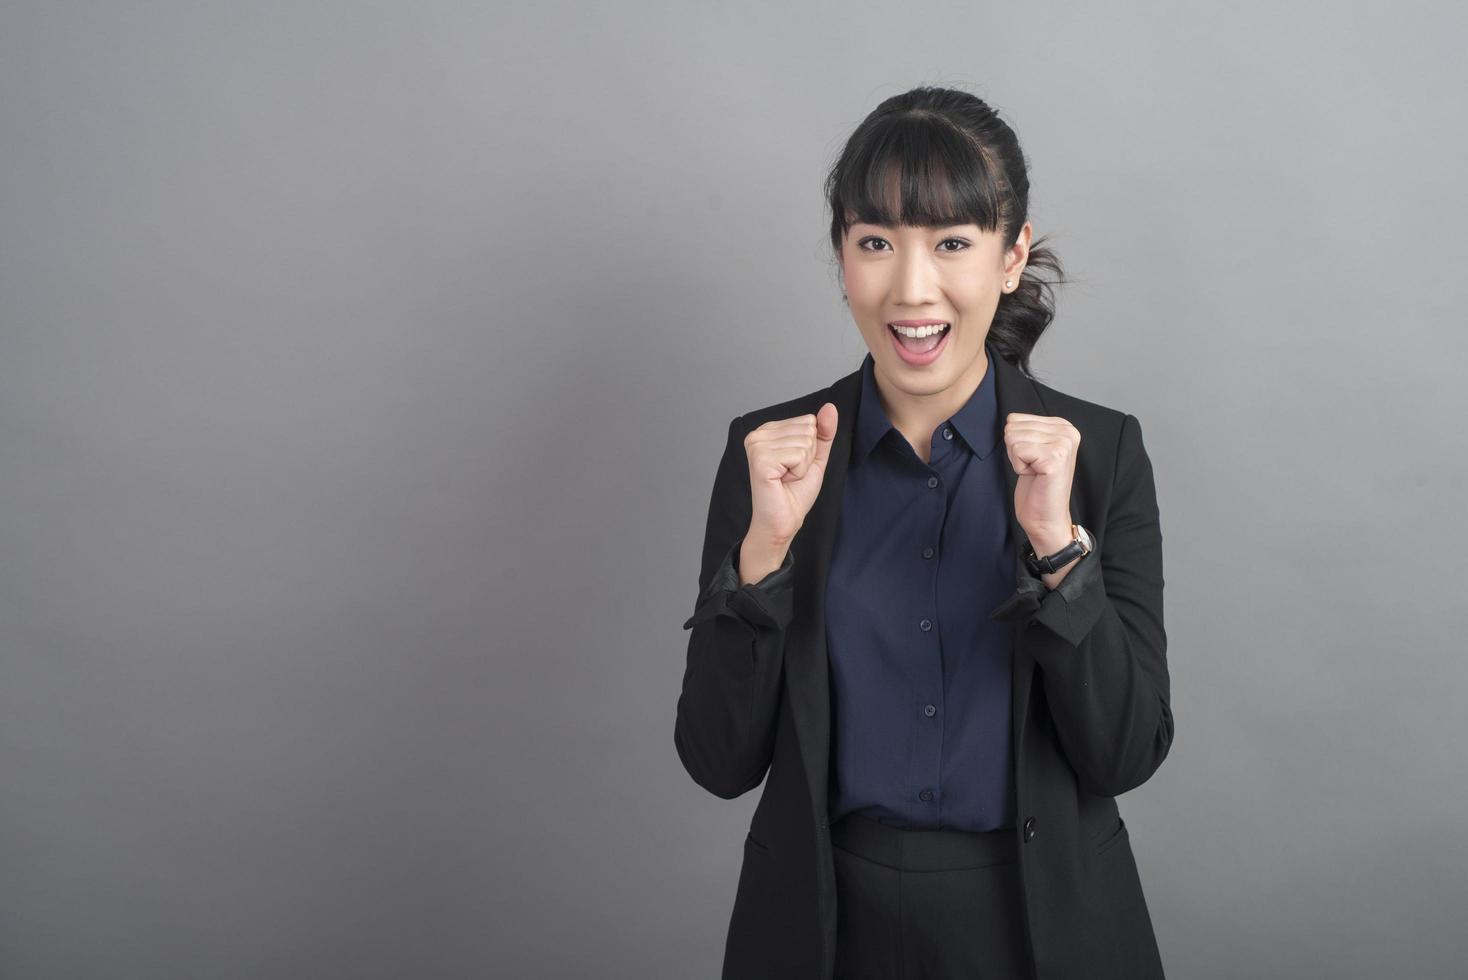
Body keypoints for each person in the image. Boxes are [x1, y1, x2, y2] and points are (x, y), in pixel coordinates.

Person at [674, 85, 1172, 980]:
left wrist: (1060, 551)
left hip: (1046, 929)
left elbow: (1126, 751)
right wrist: (764, 559)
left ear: (1012, 256)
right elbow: (717, 761)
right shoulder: (770, 458)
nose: (912, 288)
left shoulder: (1098, 453)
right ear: (840, 256)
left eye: (953, 243)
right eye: (876, 243)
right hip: (825, 931)